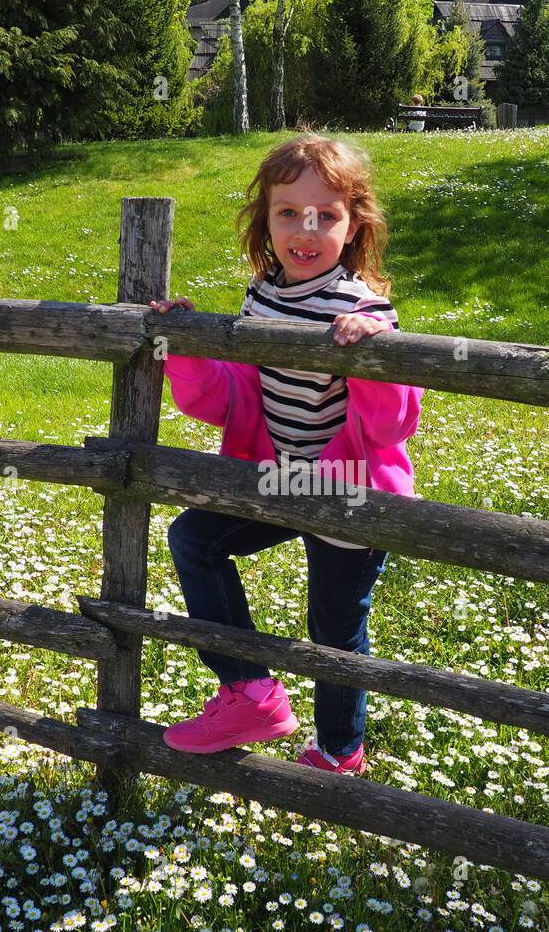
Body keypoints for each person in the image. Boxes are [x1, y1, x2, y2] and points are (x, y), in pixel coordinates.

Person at [148, 133, 425, 775]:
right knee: (195, 538)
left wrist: (376, 354)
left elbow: (391, 427)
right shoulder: (264, 294)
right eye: (288, 212)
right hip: (278, 479)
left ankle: (338, 752)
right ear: (264, 218)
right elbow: (233, 398)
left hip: (350, 492)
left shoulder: (363, 308)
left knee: (333, 627)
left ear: (354, 225)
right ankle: (251, 691)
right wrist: (188, 346)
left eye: (326, 215)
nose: (306, 229)